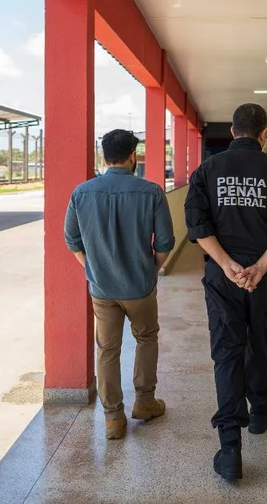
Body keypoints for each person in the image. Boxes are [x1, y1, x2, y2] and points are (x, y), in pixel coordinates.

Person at [185, 104, 267, 480]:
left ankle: (229, 448)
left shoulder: (206, 171)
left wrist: (226, 265)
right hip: (264, 279)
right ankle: (261, 411)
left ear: (233, 131)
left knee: (227, 351)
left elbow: (197, 224)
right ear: (264, 133)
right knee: (260, 341)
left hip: (223, 279)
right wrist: (259, 268)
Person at [64, 129, 175, 440]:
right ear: (133, 157)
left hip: (102, 290)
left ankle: (113, 418)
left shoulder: (81, 193)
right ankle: (145, 402)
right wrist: (152, 270)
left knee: (107, 350)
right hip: (140, 287)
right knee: (146, 338)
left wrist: (93, 269)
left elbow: (72, 239)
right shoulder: (151, 192)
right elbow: (165, 242)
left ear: (104, 157)